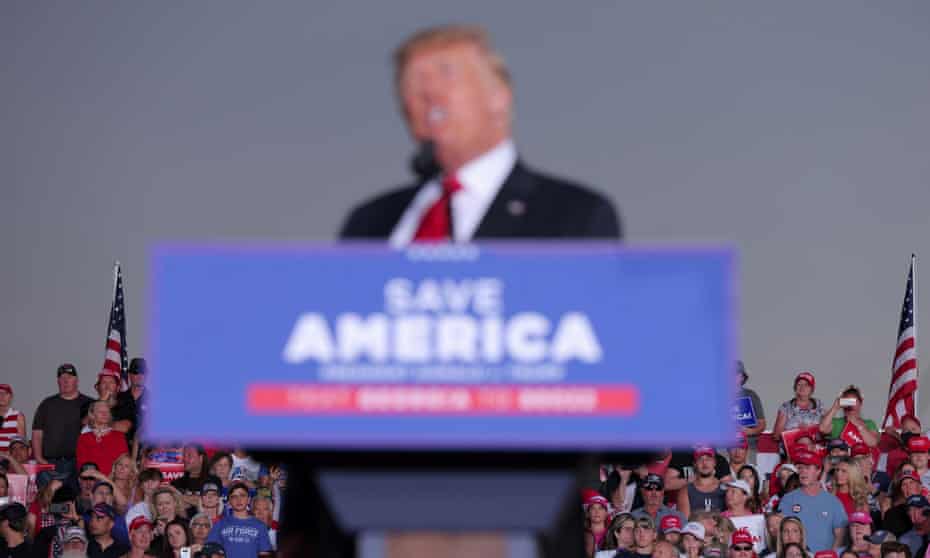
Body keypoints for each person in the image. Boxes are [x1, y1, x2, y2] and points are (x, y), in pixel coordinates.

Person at [340, 24, 622, 243]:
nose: (428, 92)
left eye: (446, 73)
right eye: (412, 82)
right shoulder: (368, 224)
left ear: (499, 97)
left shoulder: (575, 214)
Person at [31, 363, 94, 480]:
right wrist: (39, 459)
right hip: (50, 463)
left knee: (76, 497)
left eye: (69, 377)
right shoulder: (47, 404)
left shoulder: (90, 404)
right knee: (46, 497)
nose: (65, 381)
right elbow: (37, 434)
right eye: (62, 378)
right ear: (58, 381)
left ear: (76, 380)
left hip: (78, 463)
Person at [777, 449, 848, 551]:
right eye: (800, 468)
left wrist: (831, 556)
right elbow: (781, 533)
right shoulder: (788, 499)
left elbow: (840, 535)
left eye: (808, 467)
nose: (803, 472)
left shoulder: (832, 502)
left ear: (818, 470)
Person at [206, 482, 272, 558]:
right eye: (234, 497)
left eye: (242, 495)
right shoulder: (220, 524)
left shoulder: (260, 525)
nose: (239, 500)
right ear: (229, 501)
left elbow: (265, 555)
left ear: (248, 499)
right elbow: (209, 551)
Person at [76, 401, 129, 477]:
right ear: (92, 415)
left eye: (107, 411)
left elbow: (124, 464)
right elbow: (82, 466)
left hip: (114, 480)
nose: (104, 414)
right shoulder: (84, 438)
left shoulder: (119, 436)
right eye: (100, 411)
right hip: (92, 481)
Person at [773, 371, 825, 444]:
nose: (802, 387)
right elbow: (776, 435)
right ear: (795, 387)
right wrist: (797, 431)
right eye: (799, 384)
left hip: (815, 448)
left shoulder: (819, 405)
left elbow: (826, 429)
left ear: (812, 389)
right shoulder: (786, 407)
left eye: (806, 385)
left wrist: (809, 430)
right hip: (792, 447)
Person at [679, 447, 726, 516]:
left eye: (708, 459)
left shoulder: (725, 488)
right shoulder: (685, 491)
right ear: (694, 464)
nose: (704, 463)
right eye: (700, 459)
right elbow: (685, 523)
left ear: (715, 462)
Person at [112, 357, 147, 443]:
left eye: (142, 372)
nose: (139, 376)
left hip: (146, 450)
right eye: (135, 372)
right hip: (120, 448)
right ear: (129, 375)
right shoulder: (117, 398)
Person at [736, 362, 767, 454]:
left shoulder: (751, 395)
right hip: (724, 447)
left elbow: (762, 424)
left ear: (742, 377)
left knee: (749, 468)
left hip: (749, 445)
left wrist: (749, 431)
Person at [884, 472, 924, 536]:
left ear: (920, 486)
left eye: (911, 482)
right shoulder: (893, 513)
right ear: (901, 490)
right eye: (904, 484)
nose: (908, 487)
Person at [172, 445, 209, 509]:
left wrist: (178, 495)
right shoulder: (176, 483)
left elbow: (208, 502)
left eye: (189, 455)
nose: (185, 459)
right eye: (184, 455)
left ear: (201, 458)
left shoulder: (213, 481)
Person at [0, 384, 26, 453]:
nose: (2, 396)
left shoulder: (18, 416)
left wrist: (6, 456)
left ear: (11, 397)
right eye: (0, 393)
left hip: (9, 459)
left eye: (5, 393)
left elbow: (21, 444)